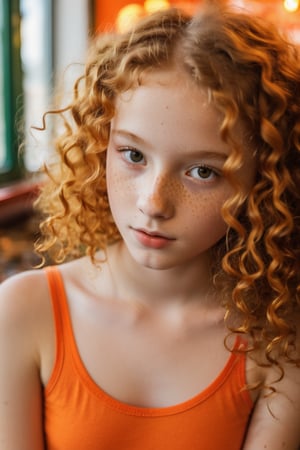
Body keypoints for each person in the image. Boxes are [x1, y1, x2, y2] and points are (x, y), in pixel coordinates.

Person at [0, 4, 300, 450]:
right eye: (134, 155)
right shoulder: (24, 311)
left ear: (265, 181)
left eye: (202, 172)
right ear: (99, 143)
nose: (153, 203)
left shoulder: (276, 338)